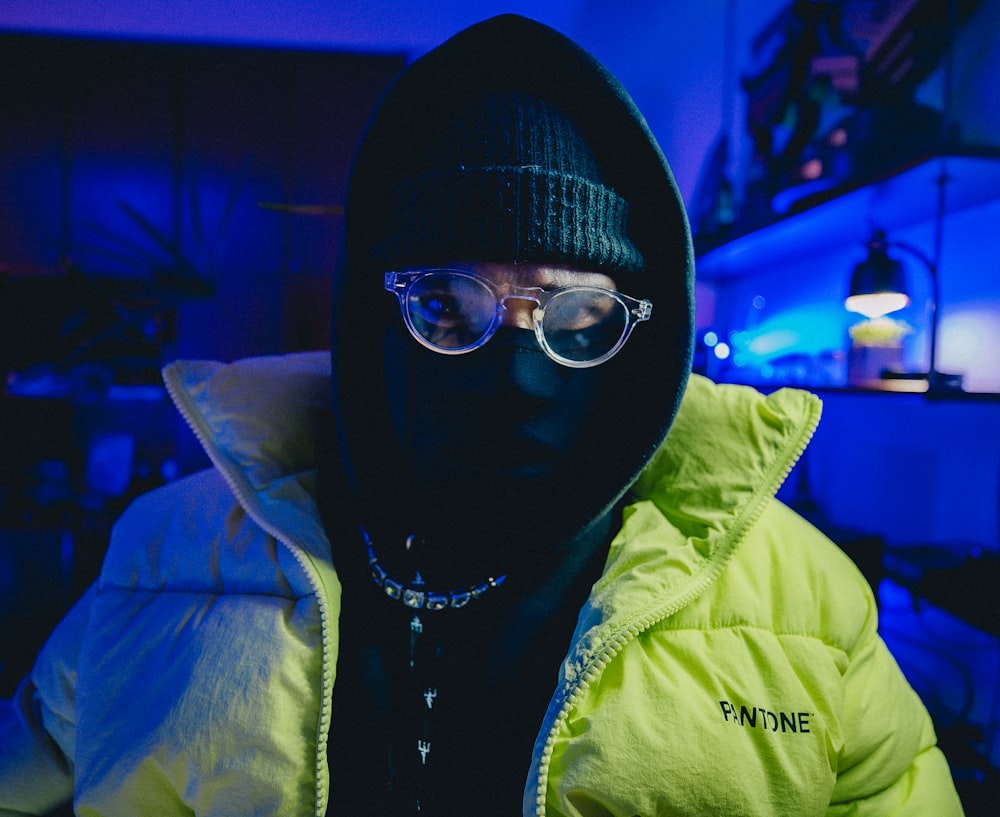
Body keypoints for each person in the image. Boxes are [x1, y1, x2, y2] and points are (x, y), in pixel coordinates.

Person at [0, 13, 965, 817]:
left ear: (639, 330)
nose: (514, 371)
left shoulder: (801, 599)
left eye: (577, 317)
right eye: (446, 306)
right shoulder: (168, 553)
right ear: (375, 313)